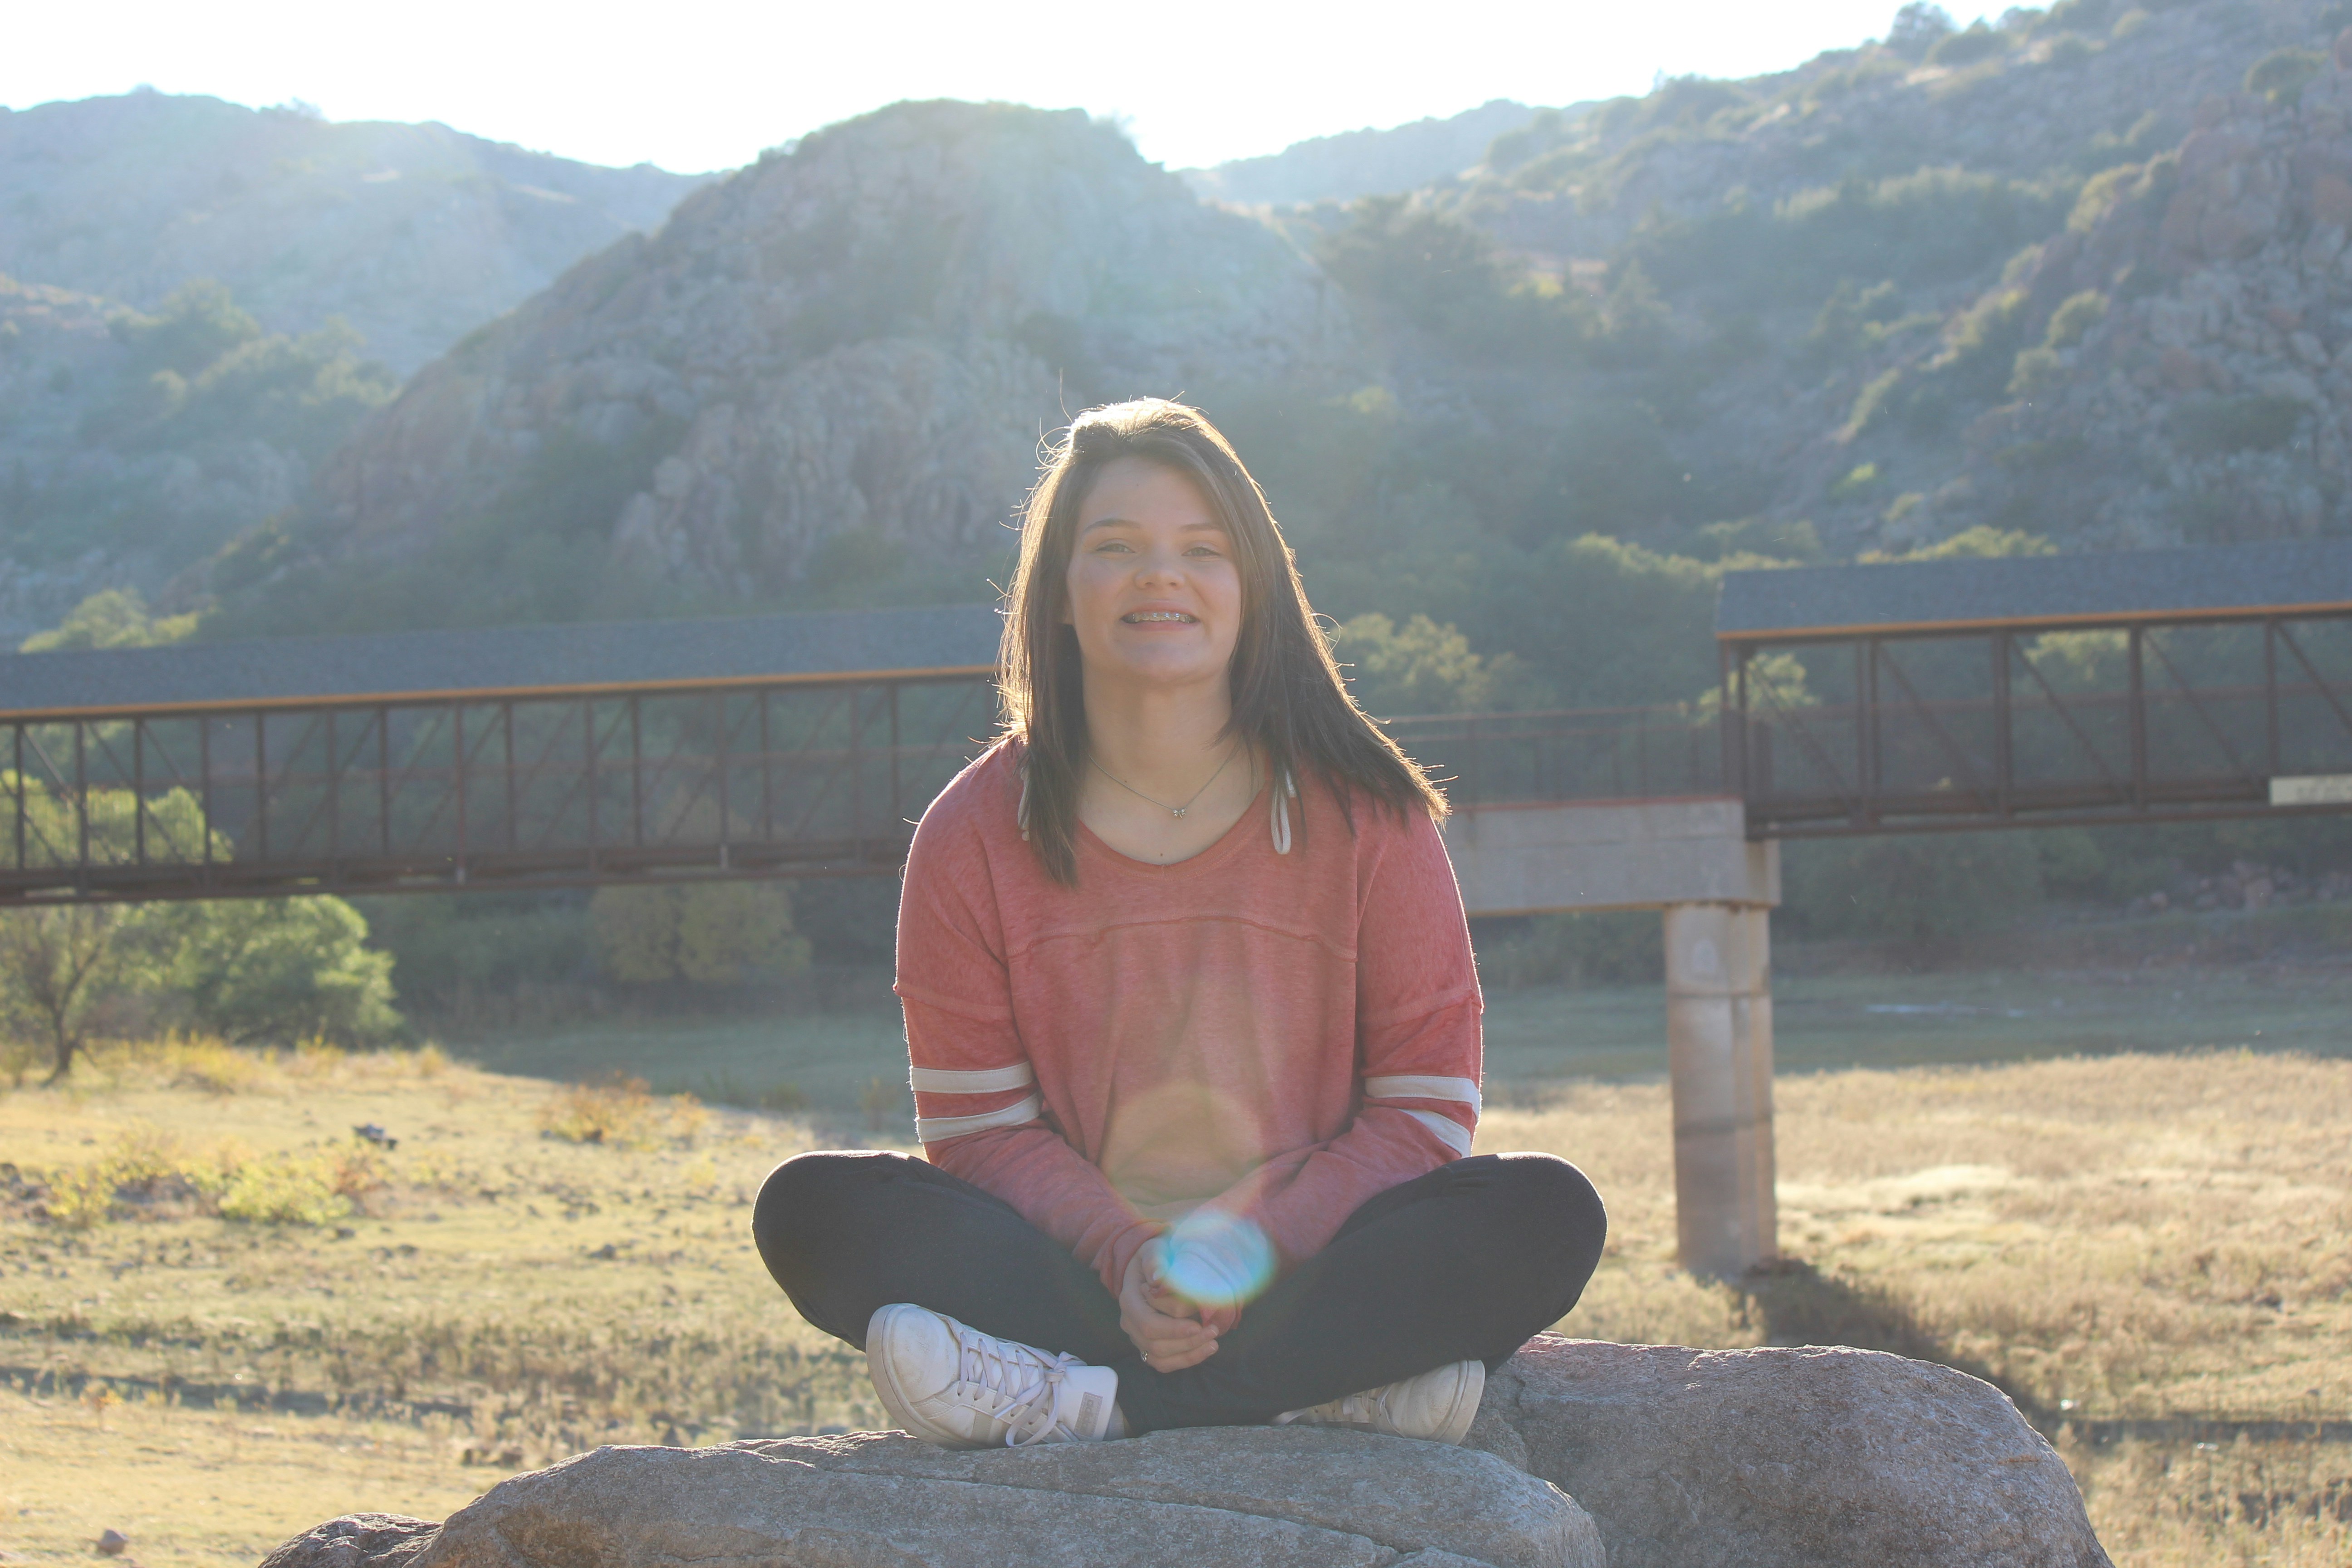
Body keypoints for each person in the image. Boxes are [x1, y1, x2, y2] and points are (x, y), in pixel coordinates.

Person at [752, 398, 1606, 1450]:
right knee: (814, 1213)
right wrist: (1127, 1258)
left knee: (1545, 1215)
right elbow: (981, 1136)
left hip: (1308, 1257)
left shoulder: (1368, 817)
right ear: (1061, 593)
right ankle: (1323, 1393)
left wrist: (1247, 1250)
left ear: (1253, 589)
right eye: (1115, 548)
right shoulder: (969, 836)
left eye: (1201, 550)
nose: (1161, 574)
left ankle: (1083, 1403)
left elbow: (1425, 1111)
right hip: (1080, 1270)